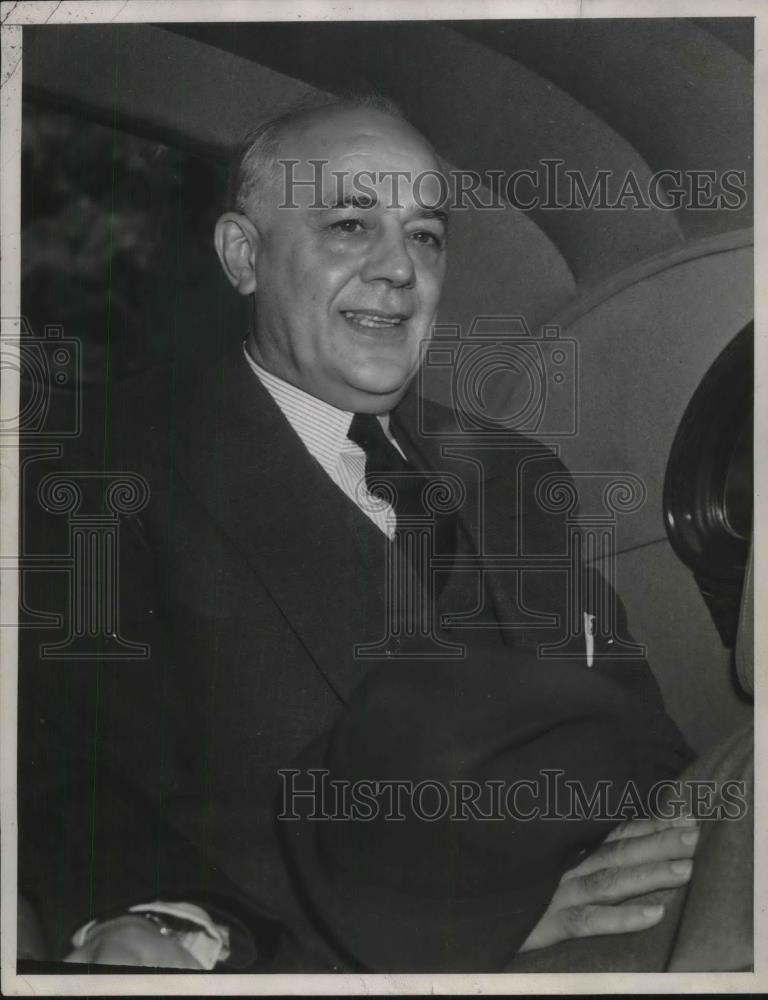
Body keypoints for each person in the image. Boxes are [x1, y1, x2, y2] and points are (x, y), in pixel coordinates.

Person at [20, 96, 711, 972]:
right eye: (351, 224)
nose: (399, 270)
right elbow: (69, 779)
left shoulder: (513, 473)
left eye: (425, 235)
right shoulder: (100, 469)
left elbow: (644, 740)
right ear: (243, 256)